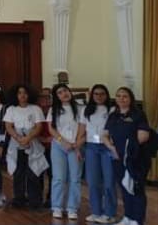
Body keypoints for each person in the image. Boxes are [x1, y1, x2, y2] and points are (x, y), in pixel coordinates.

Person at [103, 87, 152, 225]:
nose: (121, 98)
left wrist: (128, 151)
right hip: (117, 157)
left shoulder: (138, 114)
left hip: (136, 158)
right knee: (124, 187)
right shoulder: (114, 115)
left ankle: (137, 219)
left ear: (130, 98)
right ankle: (128, 217)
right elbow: (104, 134)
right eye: (118, 96)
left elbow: (143, 136)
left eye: (125, 96)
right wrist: (111, 147)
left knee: (136, 188)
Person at [4, 84, 48, 210]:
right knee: (18, 173)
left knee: (33, 173)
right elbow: (8, 126)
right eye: (19, 93)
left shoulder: (35, 109)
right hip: (16, 144)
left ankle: (35, 201)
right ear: (15, 95)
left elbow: (39, 126)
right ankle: (19, 199)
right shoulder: (11, 109)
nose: (22, 95)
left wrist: (28, 138)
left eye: (25, 93)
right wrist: (19, 138)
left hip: (33, 143)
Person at [79, 84, 116, 223]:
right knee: (93, 181)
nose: (99, 96)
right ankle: (96, 211)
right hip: (91, 148)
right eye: (96, 94)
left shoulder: (112, 110)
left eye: (102, 94)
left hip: (107, 147)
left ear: (106, 95)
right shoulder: (85, 110)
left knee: (109, 181)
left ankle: (110, 213)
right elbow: (82, 130)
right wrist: (78, 147)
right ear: (91, 95)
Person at [47, 83, 83, 220]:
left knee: (75, 178)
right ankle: (57, 206)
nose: (64, 94)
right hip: (59, 146)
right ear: (57, 96)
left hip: (76, 146)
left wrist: (77, 145)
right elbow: (51, 129)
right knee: (59, 177)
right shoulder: (54, 109)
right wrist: (63, 142)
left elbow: (83, 128)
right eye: (60, 92)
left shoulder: (80, 108)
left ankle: (72, 207)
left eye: (65, 91)